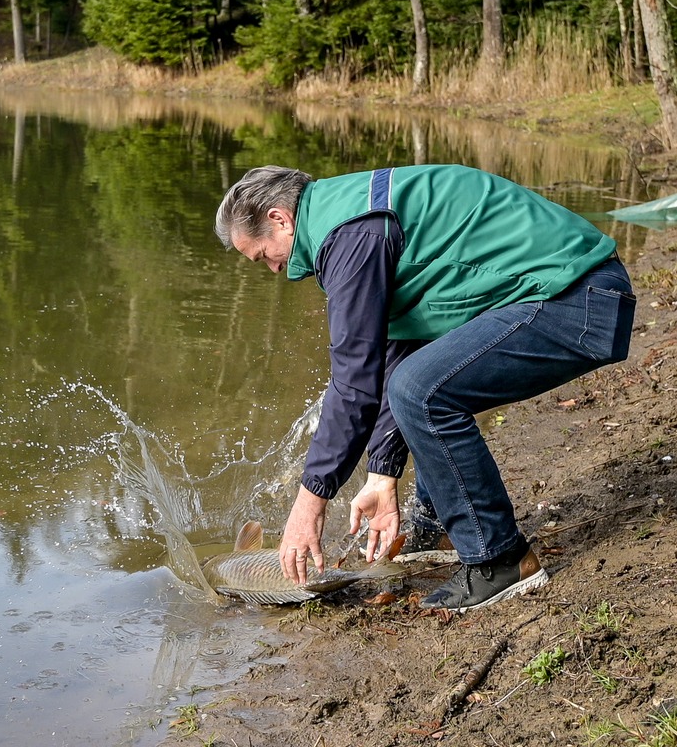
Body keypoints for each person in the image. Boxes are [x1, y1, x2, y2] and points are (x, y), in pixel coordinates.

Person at [214, 163, 636, 612]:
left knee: (421, 391)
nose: (273, 269)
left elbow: (354, 384)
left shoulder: (350, 237)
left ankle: (499, 559)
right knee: (418, 379)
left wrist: (308, 504)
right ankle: (438, 529)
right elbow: (397, 348)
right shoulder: (350, 218)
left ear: (280, 219)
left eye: (263, 255)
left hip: (579, 299)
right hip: (574, 291)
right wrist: (382, 473)